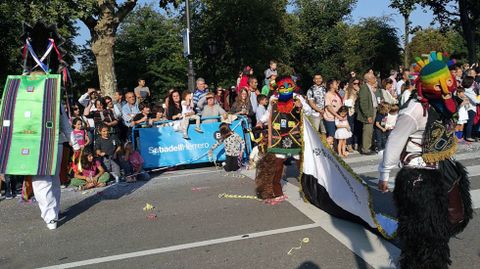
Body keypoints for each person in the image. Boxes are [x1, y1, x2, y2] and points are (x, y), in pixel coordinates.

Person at [378, 52, 472, 268]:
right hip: (418, 174)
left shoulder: (445, 102)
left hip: (440, 170)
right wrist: (385, 173)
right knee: (422, 232)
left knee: (440, 228)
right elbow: (395, 141)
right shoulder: (415, 109)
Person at [357, 72, 380, 155]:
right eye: (373, 77)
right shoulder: (364, 87)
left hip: (373, 110)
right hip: (369, 112)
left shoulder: (369, 87)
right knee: (367, 130)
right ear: (369, 79)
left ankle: (369, 146)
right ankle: (366, 149)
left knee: (370, 130)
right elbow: (363, 102)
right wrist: (368, 115)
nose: (375, 79)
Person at [323, 79, 342, 146]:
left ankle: (337, 149)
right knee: (331, 135)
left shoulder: (337, 94)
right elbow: (329, 107)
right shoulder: (328, 95)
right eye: (336, 84)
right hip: (330, 118)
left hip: (337, 118)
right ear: (331, 85)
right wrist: (337, 115)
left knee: (337, 134)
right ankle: (329, 150)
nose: (337, 85)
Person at [344, 78, 361, 152]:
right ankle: (349, 144)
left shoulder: (360, 91)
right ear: (351, 84)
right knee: (350, 128)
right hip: (350, 111)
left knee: (357, 128)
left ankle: (356, 143)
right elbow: (344, 101)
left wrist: (358, 92)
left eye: (358, 83)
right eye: (354, 83)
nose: (356, 85)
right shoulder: (348, 91)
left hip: (358, 112)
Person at [462, 76, 480, 142]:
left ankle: (467, 135)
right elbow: (476, 100)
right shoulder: (467, 90)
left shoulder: (470, 89)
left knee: (470, 122)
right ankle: (468, 136)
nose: (474, 83)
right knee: (470, 123)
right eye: (473, 82)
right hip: (470, 108)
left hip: (472, 107)